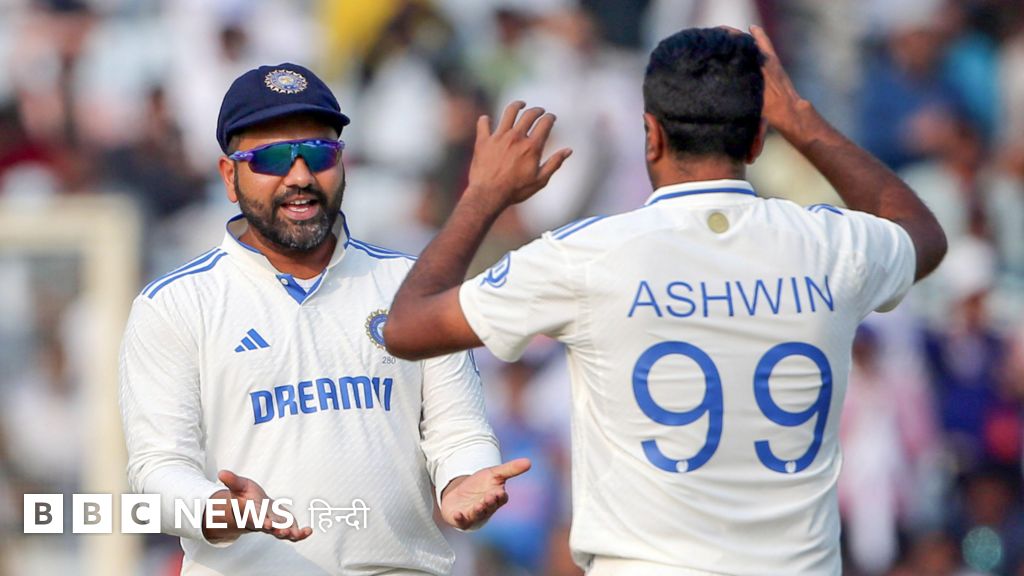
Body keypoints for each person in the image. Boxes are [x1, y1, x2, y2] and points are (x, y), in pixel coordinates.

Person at [383, 27, 948, 575]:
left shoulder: (589, 256)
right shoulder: (832, 245)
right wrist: (800, 120)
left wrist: (484, 194)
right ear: (757, 139)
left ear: (650, 135)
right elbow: (921, 234)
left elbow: (407, 327)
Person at [118, 62, 530, 576]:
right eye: (271, 159)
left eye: (318, 154)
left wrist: (462, 478)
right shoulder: (177, 303)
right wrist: (217, 510)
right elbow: (156, 471)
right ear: (229, 176)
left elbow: (459, 430)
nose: (300, 177)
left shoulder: (410, 284)